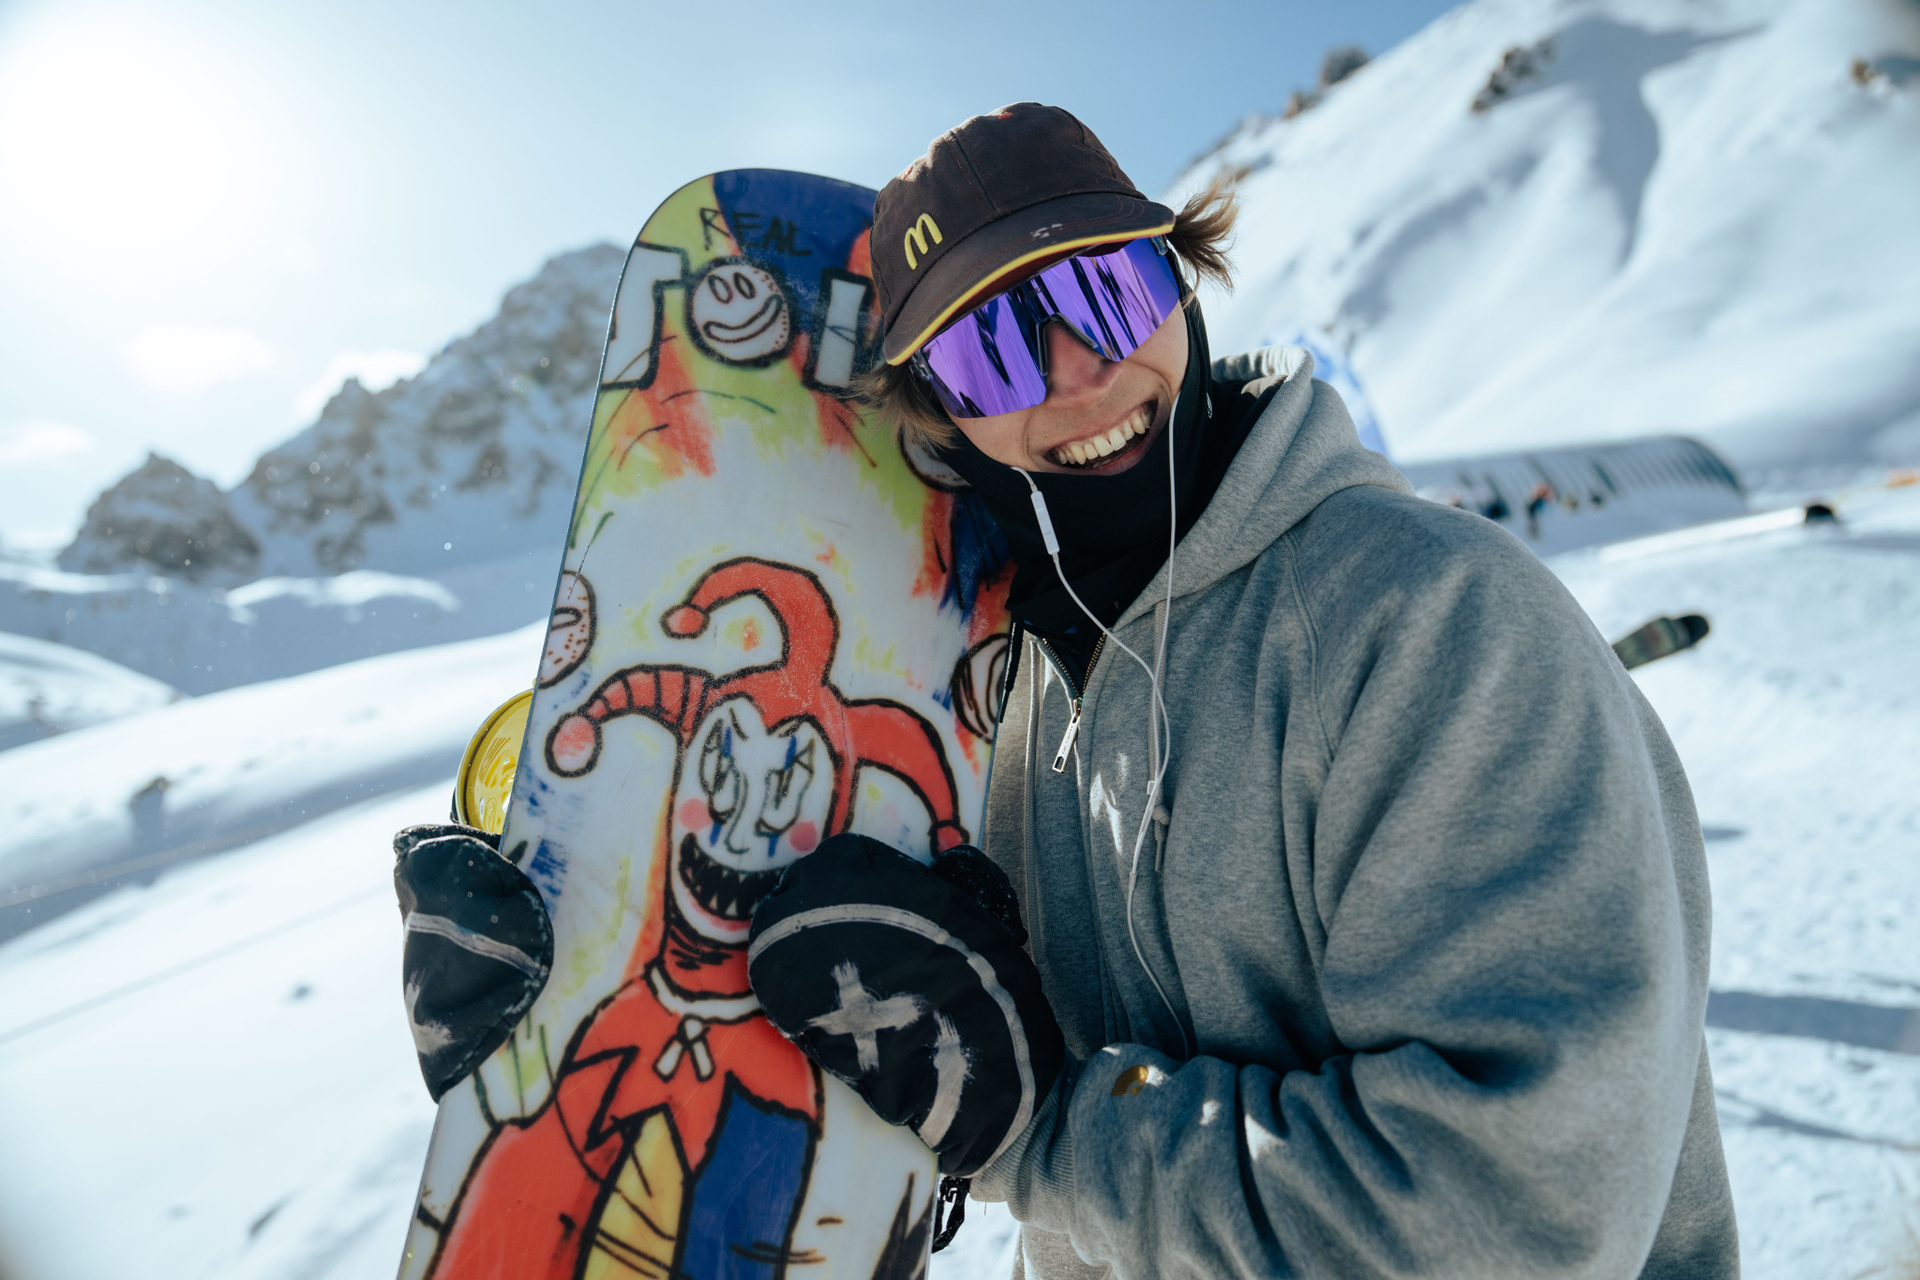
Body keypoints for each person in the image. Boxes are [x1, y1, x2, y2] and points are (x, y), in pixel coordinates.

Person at [397, 103, 1738, 1279]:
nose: (1083, 376)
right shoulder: (1004, 700)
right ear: (939, 417)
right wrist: (571, 1026)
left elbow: (1512, 1225)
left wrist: (1039, 1125)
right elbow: (884, 1056)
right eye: (994, 349)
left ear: (1183, 288)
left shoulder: (1431, 623)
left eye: (1109, 295)